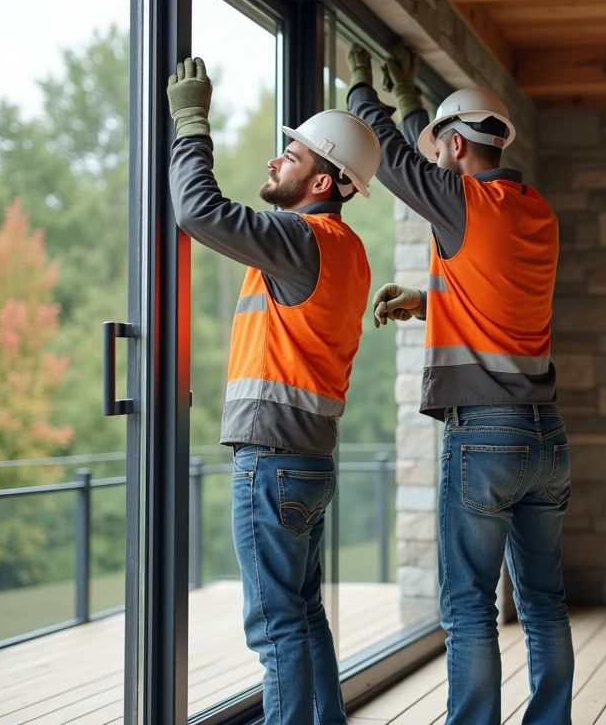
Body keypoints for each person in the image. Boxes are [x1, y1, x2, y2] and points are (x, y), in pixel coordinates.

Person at [347, 44, 573, 724]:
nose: (438, 162)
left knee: (469, 606)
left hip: (487, 435)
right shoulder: (535, 209)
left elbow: (392, 155)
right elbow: (491, 292)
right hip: (546, 438)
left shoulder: (461, 199)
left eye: (442, 146)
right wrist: (426, 301)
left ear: (455, 144)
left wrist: (364, 89)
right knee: (542, 602)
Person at [167, 57, 380, 725]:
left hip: (272, 461)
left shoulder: (301, 239)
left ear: (322, 180)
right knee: (303, 611)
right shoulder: (347, 247)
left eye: (288, 155)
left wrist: (191, 123)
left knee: (276, 625)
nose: (273, 162)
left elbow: (197, 211)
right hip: (309, 461)